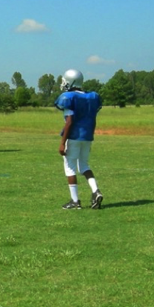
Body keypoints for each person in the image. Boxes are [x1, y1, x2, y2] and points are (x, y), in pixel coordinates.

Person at [54, 69, 103, 210]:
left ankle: (75, 201)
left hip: (74, 136)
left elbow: (69, 121)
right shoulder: (92, 97)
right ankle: (95, 191)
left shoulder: (68, 97)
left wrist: (62, 142)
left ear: (70, 80)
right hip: (87, 136)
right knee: (84, 165)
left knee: (70, 168)